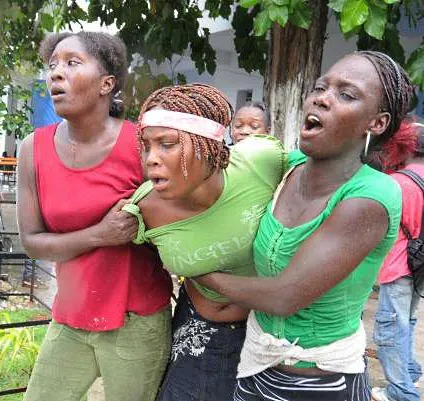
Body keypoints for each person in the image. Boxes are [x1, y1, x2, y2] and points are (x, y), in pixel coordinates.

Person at [195, 50, 414, 400]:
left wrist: (194, 271)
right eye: (320, 87)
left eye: (346, 95)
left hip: (321, 385)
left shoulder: (371, 196)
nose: (322, 99)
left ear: (377, 123)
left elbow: (285, 296)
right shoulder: (285, 165)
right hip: (256, 367)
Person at [16, 31, 173, 401]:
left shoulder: (142, 144)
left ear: (107, 84)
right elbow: (32, 243)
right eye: (52, 65)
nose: (55, 73)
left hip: (136, 319)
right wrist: (100, 234)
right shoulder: (31, 150)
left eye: (72, 63)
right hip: (70, 316)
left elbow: (176, 223)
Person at [121, 83, 287, 401]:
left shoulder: (261, 160)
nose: (151, 159)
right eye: (146, 146)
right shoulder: (147, 207)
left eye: (167, 144)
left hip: (269, 333)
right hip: (201, 332)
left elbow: (316, 186)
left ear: (207, 145)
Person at [371, 123, 424, 401]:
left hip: (399, 265)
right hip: (420, 267)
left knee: (390, 328)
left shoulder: (398, 183)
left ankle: (401, 392)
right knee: (408, 320)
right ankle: (412, 372)